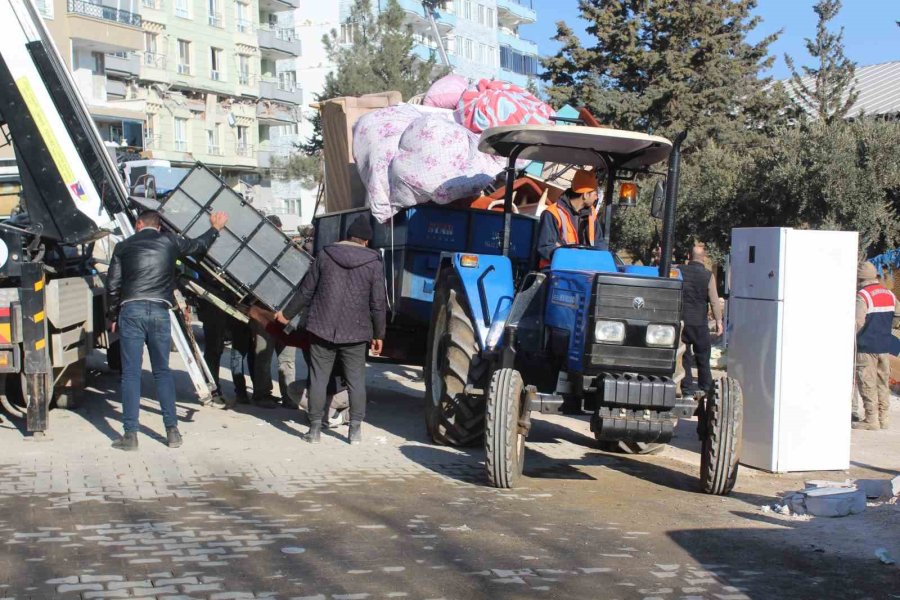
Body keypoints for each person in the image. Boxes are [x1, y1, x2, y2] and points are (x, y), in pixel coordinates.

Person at [107, 209, 228, 451]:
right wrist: (215, 229)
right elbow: (197, 246)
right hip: (160, 311)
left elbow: (113, 284)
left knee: (131, 374)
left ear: (139, 224)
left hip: (131, 310)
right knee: (162, 371)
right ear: (159, 226)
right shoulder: (170, 242)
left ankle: (130, 435)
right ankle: (172, 432)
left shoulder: (123, 246)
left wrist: (112, 315)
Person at [275, 215, 387, 444]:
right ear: (366, 241)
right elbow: (378, 303)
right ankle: (354, 431)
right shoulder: (374, 263)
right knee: (356, 381)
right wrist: (379, 334)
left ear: (346, 237)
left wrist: (285, 314)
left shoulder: (325, 255)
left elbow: (306, 292)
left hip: (321, 328)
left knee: (317, 379)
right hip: (356, 332)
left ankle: (314, 430)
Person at [251, 215, 297, 409]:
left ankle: (289, 397)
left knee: (285, 359)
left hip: (284, 315)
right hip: (265, 315)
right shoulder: (256, 254)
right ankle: (263, 395)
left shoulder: (292, 253)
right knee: (264, 356)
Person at [853, 262, 897, 430]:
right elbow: (897, 315)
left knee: (867, 382)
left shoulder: (863, 295)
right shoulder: (889, 294)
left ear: (860, 278)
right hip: (884, 346)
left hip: (866, 346)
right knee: (882, 382)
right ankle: (883, 418)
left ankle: (871, 420)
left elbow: (858, 321)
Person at [536, 169, 607, 268]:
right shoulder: (552, 213)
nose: (596, 198)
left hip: (583, 269)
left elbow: (599, 243)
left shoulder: (591, 214)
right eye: (595, 194)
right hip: (556, 271)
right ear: (585, 195)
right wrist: (572, 257)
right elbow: (545, 248)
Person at [678, 245, 723, 397]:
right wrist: (718, 321)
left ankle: (687, 390)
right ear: (703, 258)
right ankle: (706, 389)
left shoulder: (679, 271)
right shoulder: (708, 275)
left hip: (682, 322)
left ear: (689, 256)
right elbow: (714, 301)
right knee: (703, 357)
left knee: (685, 358)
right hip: (699, 323)